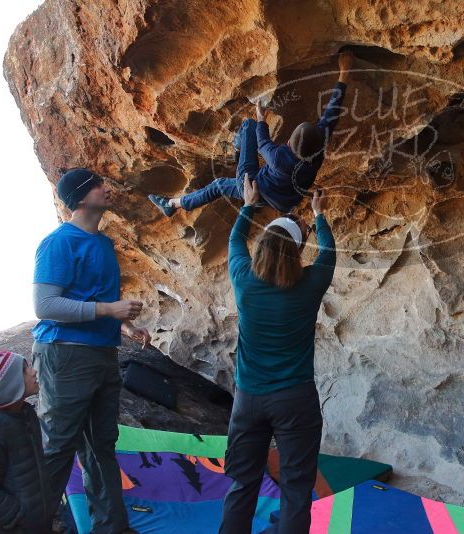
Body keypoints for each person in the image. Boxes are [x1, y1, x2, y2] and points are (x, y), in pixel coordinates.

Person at [31, 168, 150, 533]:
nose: (106, 188)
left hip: (101, 354)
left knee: (101, 445)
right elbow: (46, 305)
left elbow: (95, 297)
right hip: (64, 354)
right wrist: (108, 310)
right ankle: (29, 525)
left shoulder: (103, 243)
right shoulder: (59, 242)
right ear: (81, 198)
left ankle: (112, 527)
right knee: (58, 446)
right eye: (97, 185)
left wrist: (124, 324)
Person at [219, 177, 335, 533]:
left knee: (243, 483)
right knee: (296, 490)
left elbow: (235, 240)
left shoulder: (243, 279)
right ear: (297, 252)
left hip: (249, 399)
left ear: (263, 246)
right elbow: (328, 253)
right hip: (294, 400)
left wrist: (249, 204)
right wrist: (318, 216)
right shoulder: (310, 284)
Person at [149, 49, 354, 217]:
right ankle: (236, 162)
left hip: (254, 187)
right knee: (229, 178)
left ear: (289, 144)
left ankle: (173, 204)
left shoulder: (278, 157)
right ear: (321, 141)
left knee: (246, 131)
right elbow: (333, 110)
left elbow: (262, 141)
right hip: (284, 201)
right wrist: (344, 72)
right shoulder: (317, 148)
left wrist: (261, 117)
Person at [0, 351, 51, 533]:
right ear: (7, 387)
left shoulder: (24, 413)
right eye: (24, 370)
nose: (33, 371)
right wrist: (22, 517)